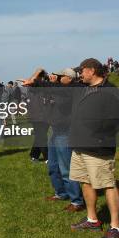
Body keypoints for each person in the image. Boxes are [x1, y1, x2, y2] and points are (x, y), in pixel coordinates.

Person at [68, 58, 119, 238]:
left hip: (99, 147)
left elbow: (117, 120)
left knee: (108, 184)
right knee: (85, 181)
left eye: (82, 70)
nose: (80, 74)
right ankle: (93, 219)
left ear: (92, 70)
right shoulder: (84, 89)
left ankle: (116, 227)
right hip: (80, 145)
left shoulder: (111, 91)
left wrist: (98, 134)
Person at [42, 68, 85, 212]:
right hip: (55, 131)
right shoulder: (60, 90)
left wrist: (53, 86)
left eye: (60, 76)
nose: (57, 78)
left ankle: (77, 201)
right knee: (53, 167)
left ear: (69, 78)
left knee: (66, 168)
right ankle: (61, 193)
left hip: (65, 133)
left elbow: (60, 101)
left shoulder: (71, 90)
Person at [22, 68, 50, 162]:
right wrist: (37, 72)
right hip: (36, 116)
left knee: (40, 136)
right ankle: (47, 157)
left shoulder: (44, 86)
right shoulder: (33, 87)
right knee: (41, 136)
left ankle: (34, 155)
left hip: (44, 115)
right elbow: (28, 82)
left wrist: (38, 73)